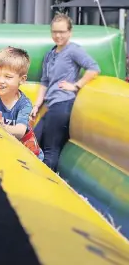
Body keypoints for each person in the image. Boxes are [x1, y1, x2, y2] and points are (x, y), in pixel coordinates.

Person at [30, 13, 100, 172]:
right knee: (32, 140)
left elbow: (94, 68)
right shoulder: (50, 54)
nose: (58, 35)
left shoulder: (73, 50)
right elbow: (45, 82)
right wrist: (36, 105)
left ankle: (47, 184)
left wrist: (76, 85)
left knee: (51, 149)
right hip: (50, 105)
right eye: (54, 32)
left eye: (61, 32)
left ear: (70, 32)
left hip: (63, 104)